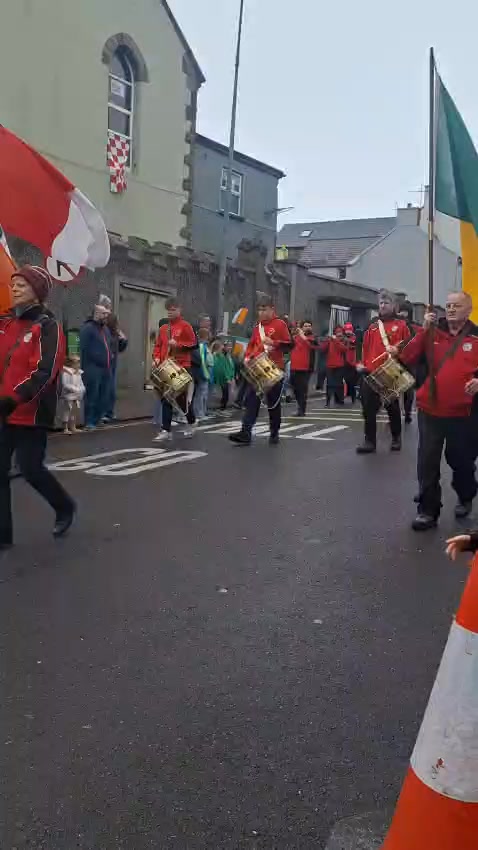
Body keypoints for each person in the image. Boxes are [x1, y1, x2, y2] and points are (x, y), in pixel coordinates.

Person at [0, 265, 76, 547]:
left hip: (30, 412)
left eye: (22, 285)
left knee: (30, 469)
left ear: (37, 292)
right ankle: (3, 535)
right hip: (3, 411)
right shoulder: (5, 323)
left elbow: (46, 370)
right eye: (13, 284)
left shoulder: (48, 326)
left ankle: (64, 506)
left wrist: (15, 398)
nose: (15, 289)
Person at [398, 291, 478, 530]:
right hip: (430, 409)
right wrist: (423, 329)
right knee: (427, 461)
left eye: (457, 305)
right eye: (448, 305)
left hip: (464, 413)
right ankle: (427, 510)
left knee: (460, 460)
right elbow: (406, 356)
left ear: (469, 309)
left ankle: (466, 494)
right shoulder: (431, 331)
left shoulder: (476, 337)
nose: (451, 309)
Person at [229, 296, 292, 446]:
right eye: (259, 309)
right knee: (251, 400)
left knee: (273, 404)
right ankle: (246, 432)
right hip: (258, 367)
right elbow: (252, 345)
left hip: (274, 368)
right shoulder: (257, 327)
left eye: (264, 309)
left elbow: (289, 345)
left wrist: (275, 343)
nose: (261, 312)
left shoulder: (280, 324)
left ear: (272, 309)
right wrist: (248, 356)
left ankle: (274, 432)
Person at [356, 290, 410, 453]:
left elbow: (409, 349)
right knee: (368, 409)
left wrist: (398, 352)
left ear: (394, 306)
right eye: (381, 303)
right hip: (370, 371)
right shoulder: (372, 327)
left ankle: (396, 438)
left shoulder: (401, 326)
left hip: (390, 370)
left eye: (386, 303)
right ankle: (370, 441)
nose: (383, 305)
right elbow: (363, 348)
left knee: (392, 407)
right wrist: (360, 364)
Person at [152, 297, 197, 441]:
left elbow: (193, 345)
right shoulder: (164, 329)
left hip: (182, 366)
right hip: (167, 366)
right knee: (167, 398)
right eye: (168, 310)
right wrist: (157, 358)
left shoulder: (186, 326)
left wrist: (178, 344)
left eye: (173, 310)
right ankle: (166, 430)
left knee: (180, 399)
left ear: (179, 309)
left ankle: (191, 420)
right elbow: (158, 346)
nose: (170, 313)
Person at [80, 303, 112, 430]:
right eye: (103, 313)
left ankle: (98, 419)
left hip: (106, 367)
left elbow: (109, 345)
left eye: (106, 313)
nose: (106, 316)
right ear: (96, 314)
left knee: (103, 395)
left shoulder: (106, 330)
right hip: (92, 367)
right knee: (92, 394)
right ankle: (89, 421)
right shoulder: (88, 328)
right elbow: (83, 347)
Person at [104, 313, 128, 422]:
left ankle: (109, 412)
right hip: (106, 363)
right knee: (106, 388)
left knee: (111, 389)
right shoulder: (105, 332)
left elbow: (121, 348)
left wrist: (123, 339)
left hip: (113, 364)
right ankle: (105, 413)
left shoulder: (115, 334)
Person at [290, 321, 316, 416]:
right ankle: (299, 407)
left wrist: (302, 336)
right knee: (295, 388)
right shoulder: (296, 337)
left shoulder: (312, 338)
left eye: (309, 326)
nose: (308, 327)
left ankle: (301, 410)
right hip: (294, 367)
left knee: (302, 389)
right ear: (302, 328)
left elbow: (312, 346)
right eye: (305, 326)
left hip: (306, 368)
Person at [321, 326, 347, 406]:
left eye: (340, 332)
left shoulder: (344, 341)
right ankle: (328, 401)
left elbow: (343, 349)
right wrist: (326, 340)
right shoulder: (330, 340)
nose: (339, 334)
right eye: (337, 332)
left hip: (340, 365)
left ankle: (340, 400)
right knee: (329, 384)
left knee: (339, 384)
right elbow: (323, 349)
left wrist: (335, 340)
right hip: (330, 365)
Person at [60, 355, 85, 434]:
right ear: (71, 363)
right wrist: (74, 389)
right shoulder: (66, 373)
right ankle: (65, 428)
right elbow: (65, 384)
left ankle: (73, 426)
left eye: (79, 362)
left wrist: (82, 388)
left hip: (77, 395)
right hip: (69, 395)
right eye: (76, 362)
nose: (78, 364)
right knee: (67, 411)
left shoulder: (78, 373)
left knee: (74, 411)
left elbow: (81, 383)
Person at [194, 328, 214, 421]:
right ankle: (199, 413)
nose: (210, 336)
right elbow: (202, 361)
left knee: (203, 394)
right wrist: (205, 374)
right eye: (208, 334)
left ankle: (202, 412)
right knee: (201, 394)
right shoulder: (202, 346)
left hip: (207, 372)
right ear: (205, 335)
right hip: (203, 373)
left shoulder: (205, 346)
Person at [214, 339, 236, 412]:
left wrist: (233, 376)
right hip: (225, 378)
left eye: (231, 346)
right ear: (224, 347)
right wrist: (227, 378)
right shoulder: (222, 356)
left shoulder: (229, 355)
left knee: (227, 393)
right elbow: (223, 368)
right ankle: (222, 407)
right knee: (225, 393)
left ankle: (223, 407)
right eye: (228, 346)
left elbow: (231, 367)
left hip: (230, 377)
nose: (230, 347)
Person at [343, 322, 358, 404]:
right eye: (346, 330)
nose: (348, 332)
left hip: (352, 363)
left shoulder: (354, 337)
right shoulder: (342, 338)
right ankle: (341, 397)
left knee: (352, 382)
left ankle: (353, 397)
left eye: (349, 330)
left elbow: (353, 344)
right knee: (343, 381)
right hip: (343, 362)